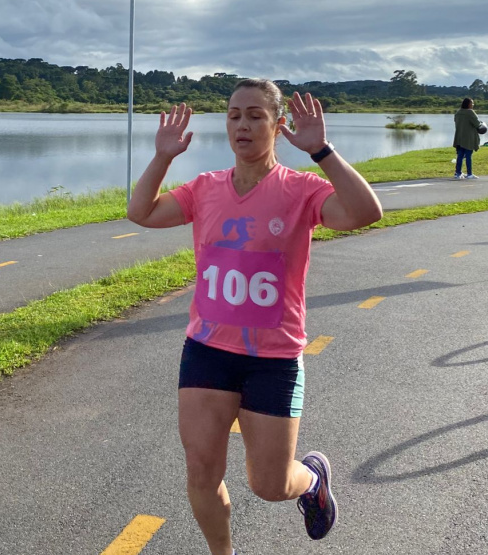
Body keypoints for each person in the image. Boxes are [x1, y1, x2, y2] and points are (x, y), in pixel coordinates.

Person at [127, 79, 382, 555]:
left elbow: (366, 212)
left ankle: (311, 481)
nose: (242, 125)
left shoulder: (302, 190)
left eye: (255, 115)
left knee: (269, 484)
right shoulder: (205, 189)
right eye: (233, 115)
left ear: (277, 124)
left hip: (274, 357)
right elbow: (140, 212)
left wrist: (322, 150)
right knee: (202, 470)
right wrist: (162, 157)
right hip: (207, 350)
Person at [453, 97, 484, 180]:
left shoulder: (458, 112)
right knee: (468, 155)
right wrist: (481, 124)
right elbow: (477, 124)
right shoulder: (470, 112)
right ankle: (469, 174)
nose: (473, 105)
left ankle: (457, 173)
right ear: (468, 104)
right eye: (472, 103)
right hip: (468, 138)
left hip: (459, 136)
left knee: (460, 155)